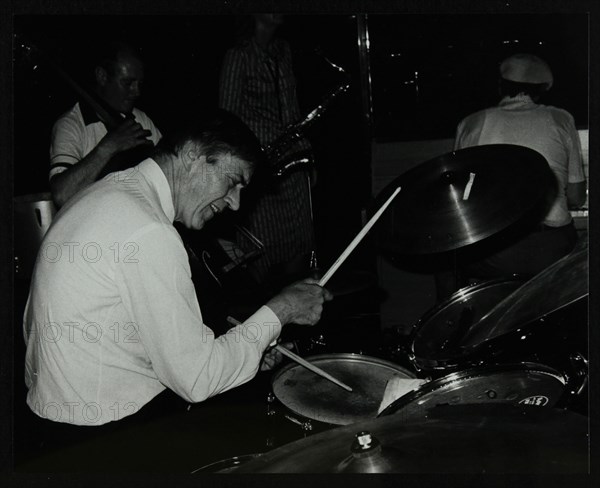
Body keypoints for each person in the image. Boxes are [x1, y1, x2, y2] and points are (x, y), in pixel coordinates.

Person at [21, 109, 331, 469]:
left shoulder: (104, 193)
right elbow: (196, 380)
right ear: (191, 155)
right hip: (104, 442)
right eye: (233, 181)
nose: (235, 203)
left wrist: (251, 346)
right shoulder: (148, 229)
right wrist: (283, 309)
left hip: (49, 427)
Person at [435, 53, 587, 299]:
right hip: (551, 249)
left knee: (444, 261)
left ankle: (451, 328)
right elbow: (577, 197)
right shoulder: (561, 118)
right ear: (542, 89)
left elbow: (464, 197)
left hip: (496, 251)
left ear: (500, 85)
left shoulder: (471, 123)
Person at [219, 13, 316, 289]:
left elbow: (292, 111)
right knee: (263, 251)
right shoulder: (238, 55)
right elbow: (227, 118)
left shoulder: (282, 52)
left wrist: (306, 154)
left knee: (301, 248)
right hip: (261, 170)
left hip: (293, 166)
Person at [49, 41, 162, 208]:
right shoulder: (70, 125)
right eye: (128, 83)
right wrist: (109, 146)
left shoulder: (140, 118)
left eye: (139, 83)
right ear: (102, 76)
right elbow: (62, 195)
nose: (136, 92)